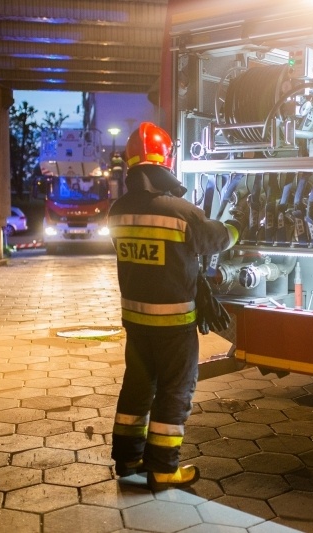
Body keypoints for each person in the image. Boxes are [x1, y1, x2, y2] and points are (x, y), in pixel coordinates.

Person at [107, 122, 241, 490]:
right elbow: (215, 238)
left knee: (136, 388)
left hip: (136, 324)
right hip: (174, 326)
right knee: (175, 390)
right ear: (165, 161)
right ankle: (164, 467)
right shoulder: (180, 212)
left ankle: (128, 459)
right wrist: (236, 227)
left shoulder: (117, 211)